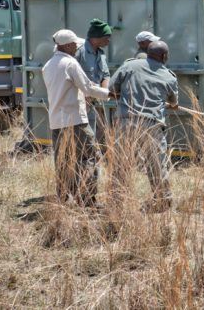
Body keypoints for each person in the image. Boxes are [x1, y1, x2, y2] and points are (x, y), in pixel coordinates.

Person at [109, 40, 179, 212]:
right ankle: (163, 200)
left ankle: (117, 202)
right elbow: (173, 101)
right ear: (164, 56)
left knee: (121, 163)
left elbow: (112, 88)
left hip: (125, 121)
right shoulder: (169, 76)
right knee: (156, 164)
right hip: (151, 125)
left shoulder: (129, 66)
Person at [42, 29, 109, 207]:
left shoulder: (48, 65)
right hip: (76, 121)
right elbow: (87, 88)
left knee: (63, 161)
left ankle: (64, 198)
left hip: (56, 122)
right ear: (69, 45)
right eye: (75, 46)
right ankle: (88, 200)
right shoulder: (70, 63)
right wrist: (109, 94)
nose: (77, 49)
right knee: (90, 157)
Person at [76, 18, 112, 136]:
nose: (108, 40)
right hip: (81, 104)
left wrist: (104, 92)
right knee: (83, 138)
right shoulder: (79, 52)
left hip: (96, 103)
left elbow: (105, 75)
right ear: (95, 38)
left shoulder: (100, 54)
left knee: (98, 136)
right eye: (106, 37)